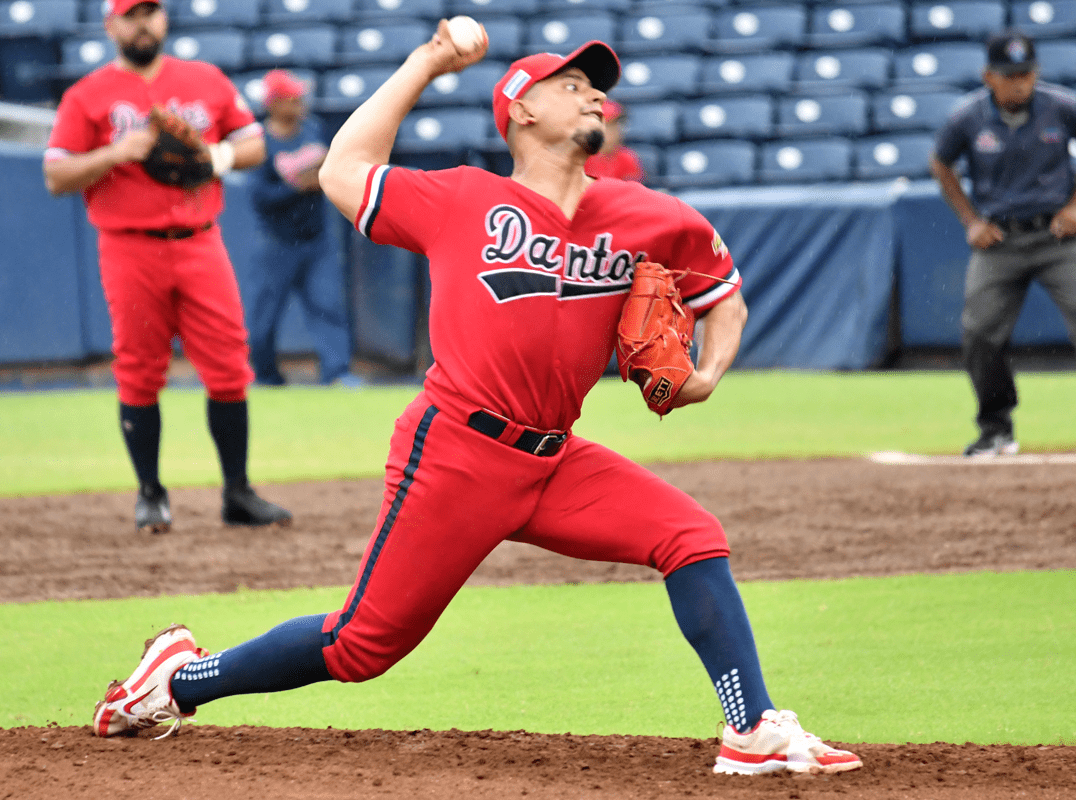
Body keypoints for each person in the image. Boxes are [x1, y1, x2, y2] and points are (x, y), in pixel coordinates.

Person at [89, 26, 862, 777]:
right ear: (521, 109)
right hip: (456, 453)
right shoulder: (460, 199)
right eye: (572, 84)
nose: (593, 94)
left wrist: (708, 373)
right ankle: (177, 682)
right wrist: (427, 63)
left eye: (597, 86)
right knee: (361, 647)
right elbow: (340, 169)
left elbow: (724, 296)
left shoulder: (648, 215)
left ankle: (751, 727)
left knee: (691, 535)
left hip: (555, 460)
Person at [42, 0, 292, 532]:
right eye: (131, 14)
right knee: (139, 369)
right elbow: (56, 175)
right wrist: (116, 152)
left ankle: (237, 492)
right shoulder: (86, 96)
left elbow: (252, 142)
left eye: (151, 12)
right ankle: (151, 493)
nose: (142, 23)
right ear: (111, 25)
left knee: (228, 367)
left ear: (165, 20)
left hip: (201, 239)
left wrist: (213, 157)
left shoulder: (204, 78)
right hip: (129, 246)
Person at [929, 30, 1076, 457]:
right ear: (988, 76)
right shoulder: (968, 117)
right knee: (979, 334)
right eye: (1010, 76)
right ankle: (996, 428)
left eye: (1026, 75)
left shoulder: (1061, 106)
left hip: (1057, 237)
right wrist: (970, 220)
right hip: (1000, 241)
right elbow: (941, 164)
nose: (1020, 84)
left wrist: (1073, 206)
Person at [246, 69, 362, 387]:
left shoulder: (313, 129)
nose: (299, 102)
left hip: (316, 239)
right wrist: (298, 187)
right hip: (276, 242)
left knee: (328, 307)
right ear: (274, 103)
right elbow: (260, 197)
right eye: (291, 98)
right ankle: (266, 377)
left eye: (299, 96)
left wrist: (321, 179)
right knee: (264, 318)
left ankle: (337, 374)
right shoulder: (259, 140)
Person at [583, 99, 645, 182]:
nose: (610, 131)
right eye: (605, 125)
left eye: (614, 124)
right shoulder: (581, 159)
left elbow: (632, 192)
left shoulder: (628, 158)